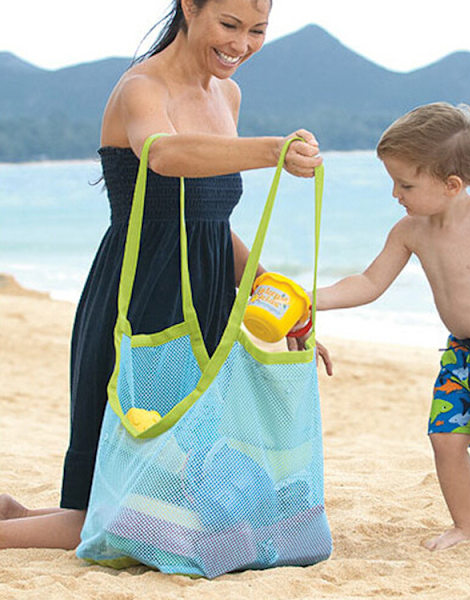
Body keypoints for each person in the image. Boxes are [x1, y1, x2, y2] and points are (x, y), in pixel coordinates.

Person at [0, 0, 332, 550]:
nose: (241, 45)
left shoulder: (228, 95)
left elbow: (210, 223)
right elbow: (164, 154)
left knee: (171, 498)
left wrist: (281, 300)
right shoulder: (141, 87)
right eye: (229, 25)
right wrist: (273, 151)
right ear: (189, 8)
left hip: (204, 301)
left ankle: (15, 512)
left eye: (257, 31)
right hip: (141, 300)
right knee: (114, 515)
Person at [312, 102, 470, 555]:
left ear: (451, 185)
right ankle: (466, 527)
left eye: (405, 183)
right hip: (462, 352)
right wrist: (315, 297)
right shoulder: (411, 230)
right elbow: (370, 282)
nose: (396, 193)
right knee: (445, 439)